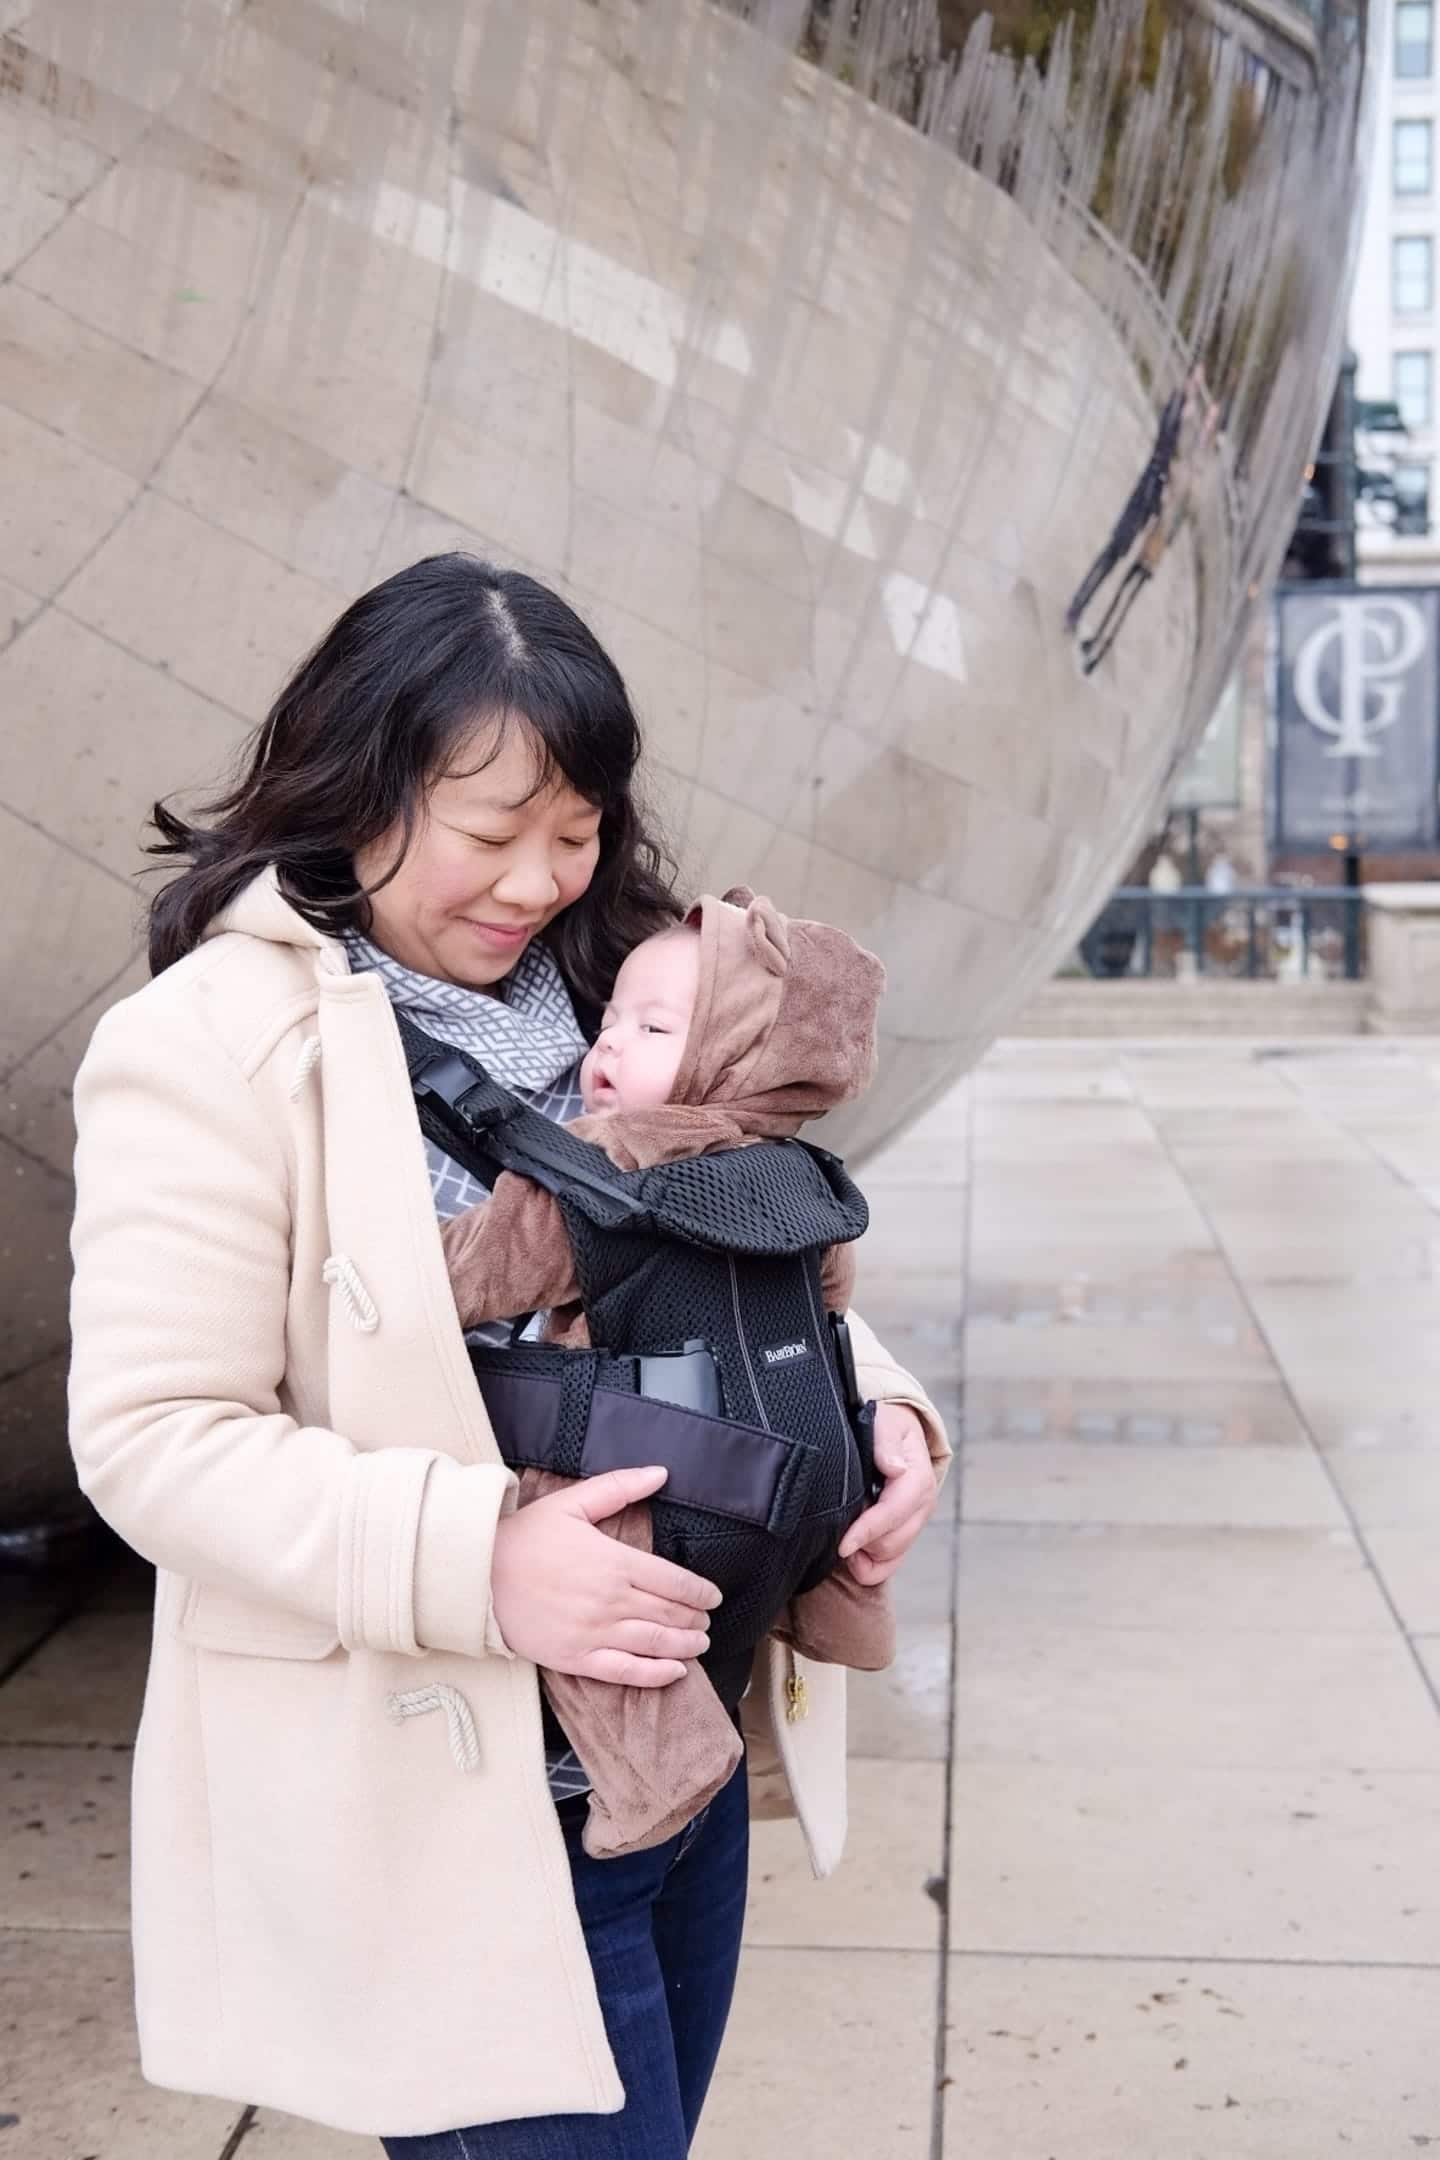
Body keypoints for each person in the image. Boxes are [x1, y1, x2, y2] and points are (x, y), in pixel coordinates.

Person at [66, 553, 949, 2156]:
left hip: (673, 1757)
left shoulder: (628, 988)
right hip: (450, 1799)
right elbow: (155, 1437)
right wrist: (483, 1559)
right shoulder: (204, 1048)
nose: (538, 879)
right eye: (492, 833)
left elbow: (755, 1244)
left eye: (576, 829)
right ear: (359, 787)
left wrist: (881, 1414)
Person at [437, 888, 898, 1862]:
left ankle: (660, 1765)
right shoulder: (808, 1178)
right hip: (793, 1474)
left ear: (743, 1057)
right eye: (608, 1023)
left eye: (649, 1027)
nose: (606, 1050)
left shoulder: (598, 1172)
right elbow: (829, 1316)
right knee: (828, 1479)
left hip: (651, 1486)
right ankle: (844, 1612)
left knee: (610, 1595)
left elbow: (453, 1283)